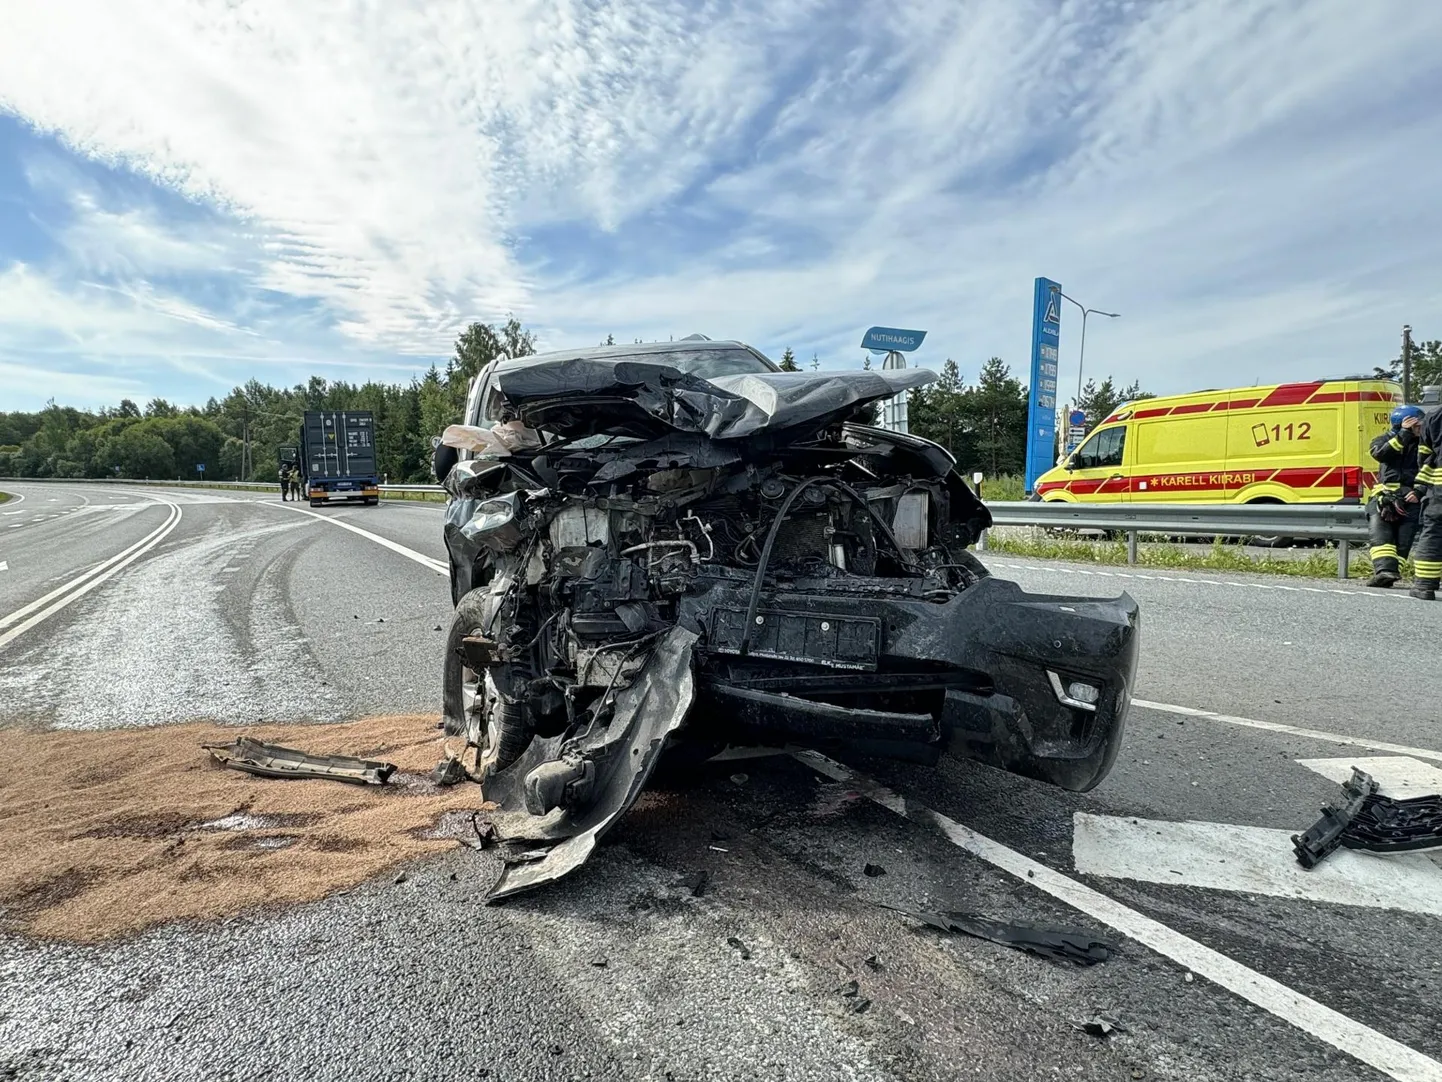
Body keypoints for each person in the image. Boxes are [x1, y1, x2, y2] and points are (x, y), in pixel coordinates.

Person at [1365, 404, 1428, 587]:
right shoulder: (1383, 439)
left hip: (1412, 498)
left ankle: (1392, 574)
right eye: (1417, 426)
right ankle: (1384, 571)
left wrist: (1419, 491)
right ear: (1402, 424)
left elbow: (1429, 469)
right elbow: (1381, 454)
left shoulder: (1425, 444)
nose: (1421, 429)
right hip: (1385, 498)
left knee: (1404, 539)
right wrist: (1404, 434)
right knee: (1381, 536)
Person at [1408, 387, 1442, 600]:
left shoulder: (1433, 417)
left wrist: (1421, 488)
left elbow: (1424, 456)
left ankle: (1424, 585)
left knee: (1433, 533)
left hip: (1439, 489)